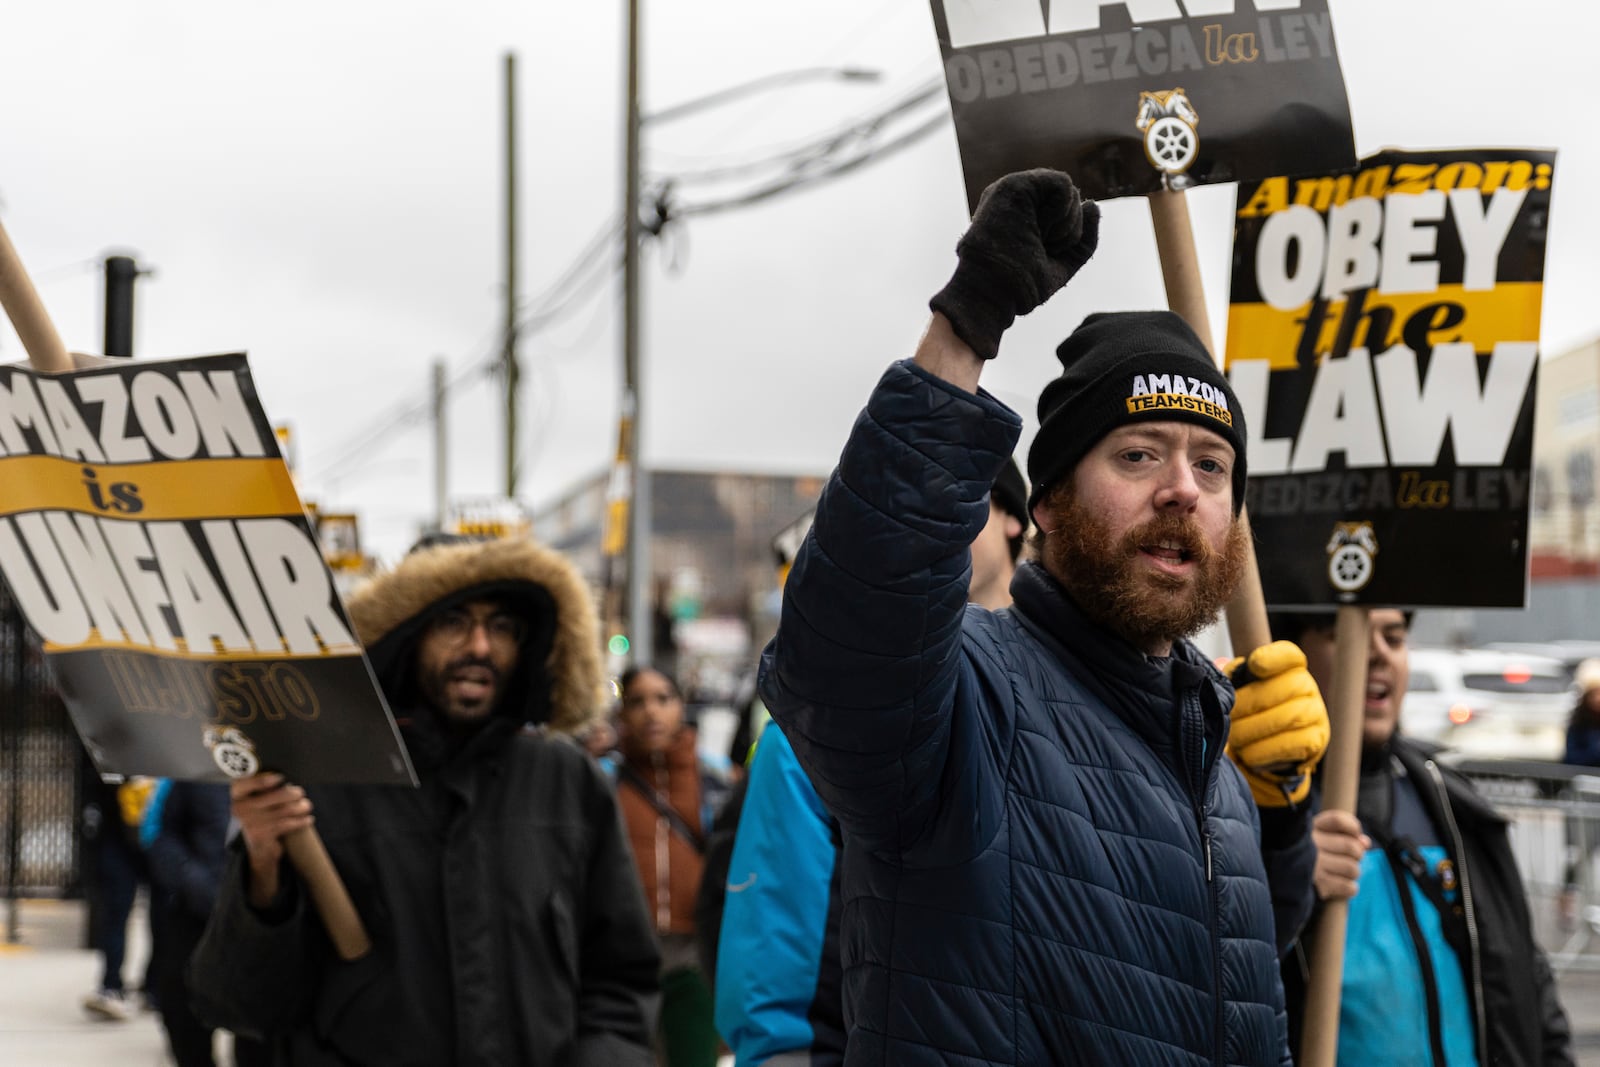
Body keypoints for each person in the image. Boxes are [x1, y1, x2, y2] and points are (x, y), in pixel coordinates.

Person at [757, 168, 1330, 1064]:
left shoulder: (1213, 752)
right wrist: (966, 324)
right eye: (1138, 454)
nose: (1182, 487)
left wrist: (1280, 815)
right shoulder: (967, 699)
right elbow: (844, 653)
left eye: (1213, 466)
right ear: (1050, 506)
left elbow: (1230, 969)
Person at [188, 534, 662, 1065]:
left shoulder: (568, 781)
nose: (481, 646)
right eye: (453, 621)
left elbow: (620, 983)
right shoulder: (322, 783)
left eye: (501, 626)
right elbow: (246, 1009)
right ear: (408, 632)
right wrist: (264, 869)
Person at [712, 456, 1030, 1067]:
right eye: (918, 511)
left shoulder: (1076, 689)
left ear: (1014, 519)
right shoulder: (828, 712)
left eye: (961, 502)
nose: (936, 526)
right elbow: (773, 967)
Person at [1272, 608, 1574, 1066]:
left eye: (1394, 638)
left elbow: (1526, 983)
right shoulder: (1258, 818)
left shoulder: (1454, 806)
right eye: (1344, 635)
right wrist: (1284, 877)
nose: (1377, 655)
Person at [609, 665, 732, 1067]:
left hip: (694, 959)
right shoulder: (603, 780)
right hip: (622, 962)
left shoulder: (714, 779)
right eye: (637, 701)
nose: (651, 711)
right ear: (622, 713)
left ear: (681, 706)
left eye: (663, 698)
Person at [143, 778, 270, 1067]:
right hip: (196, 915)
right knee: (183, 1016)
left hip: (263, 922)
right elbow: (157, 832)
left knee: (262, 1035)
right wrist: (190, 879)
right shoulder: (192, 771)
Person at [80, 773, 155, 1022]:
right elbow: (92, 792)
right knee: (116, 911)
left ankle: (154, 986)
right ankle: (111, 985)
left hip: (158, 837)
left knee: (164, 915)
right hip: (117, 835)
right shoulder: (114, 748)